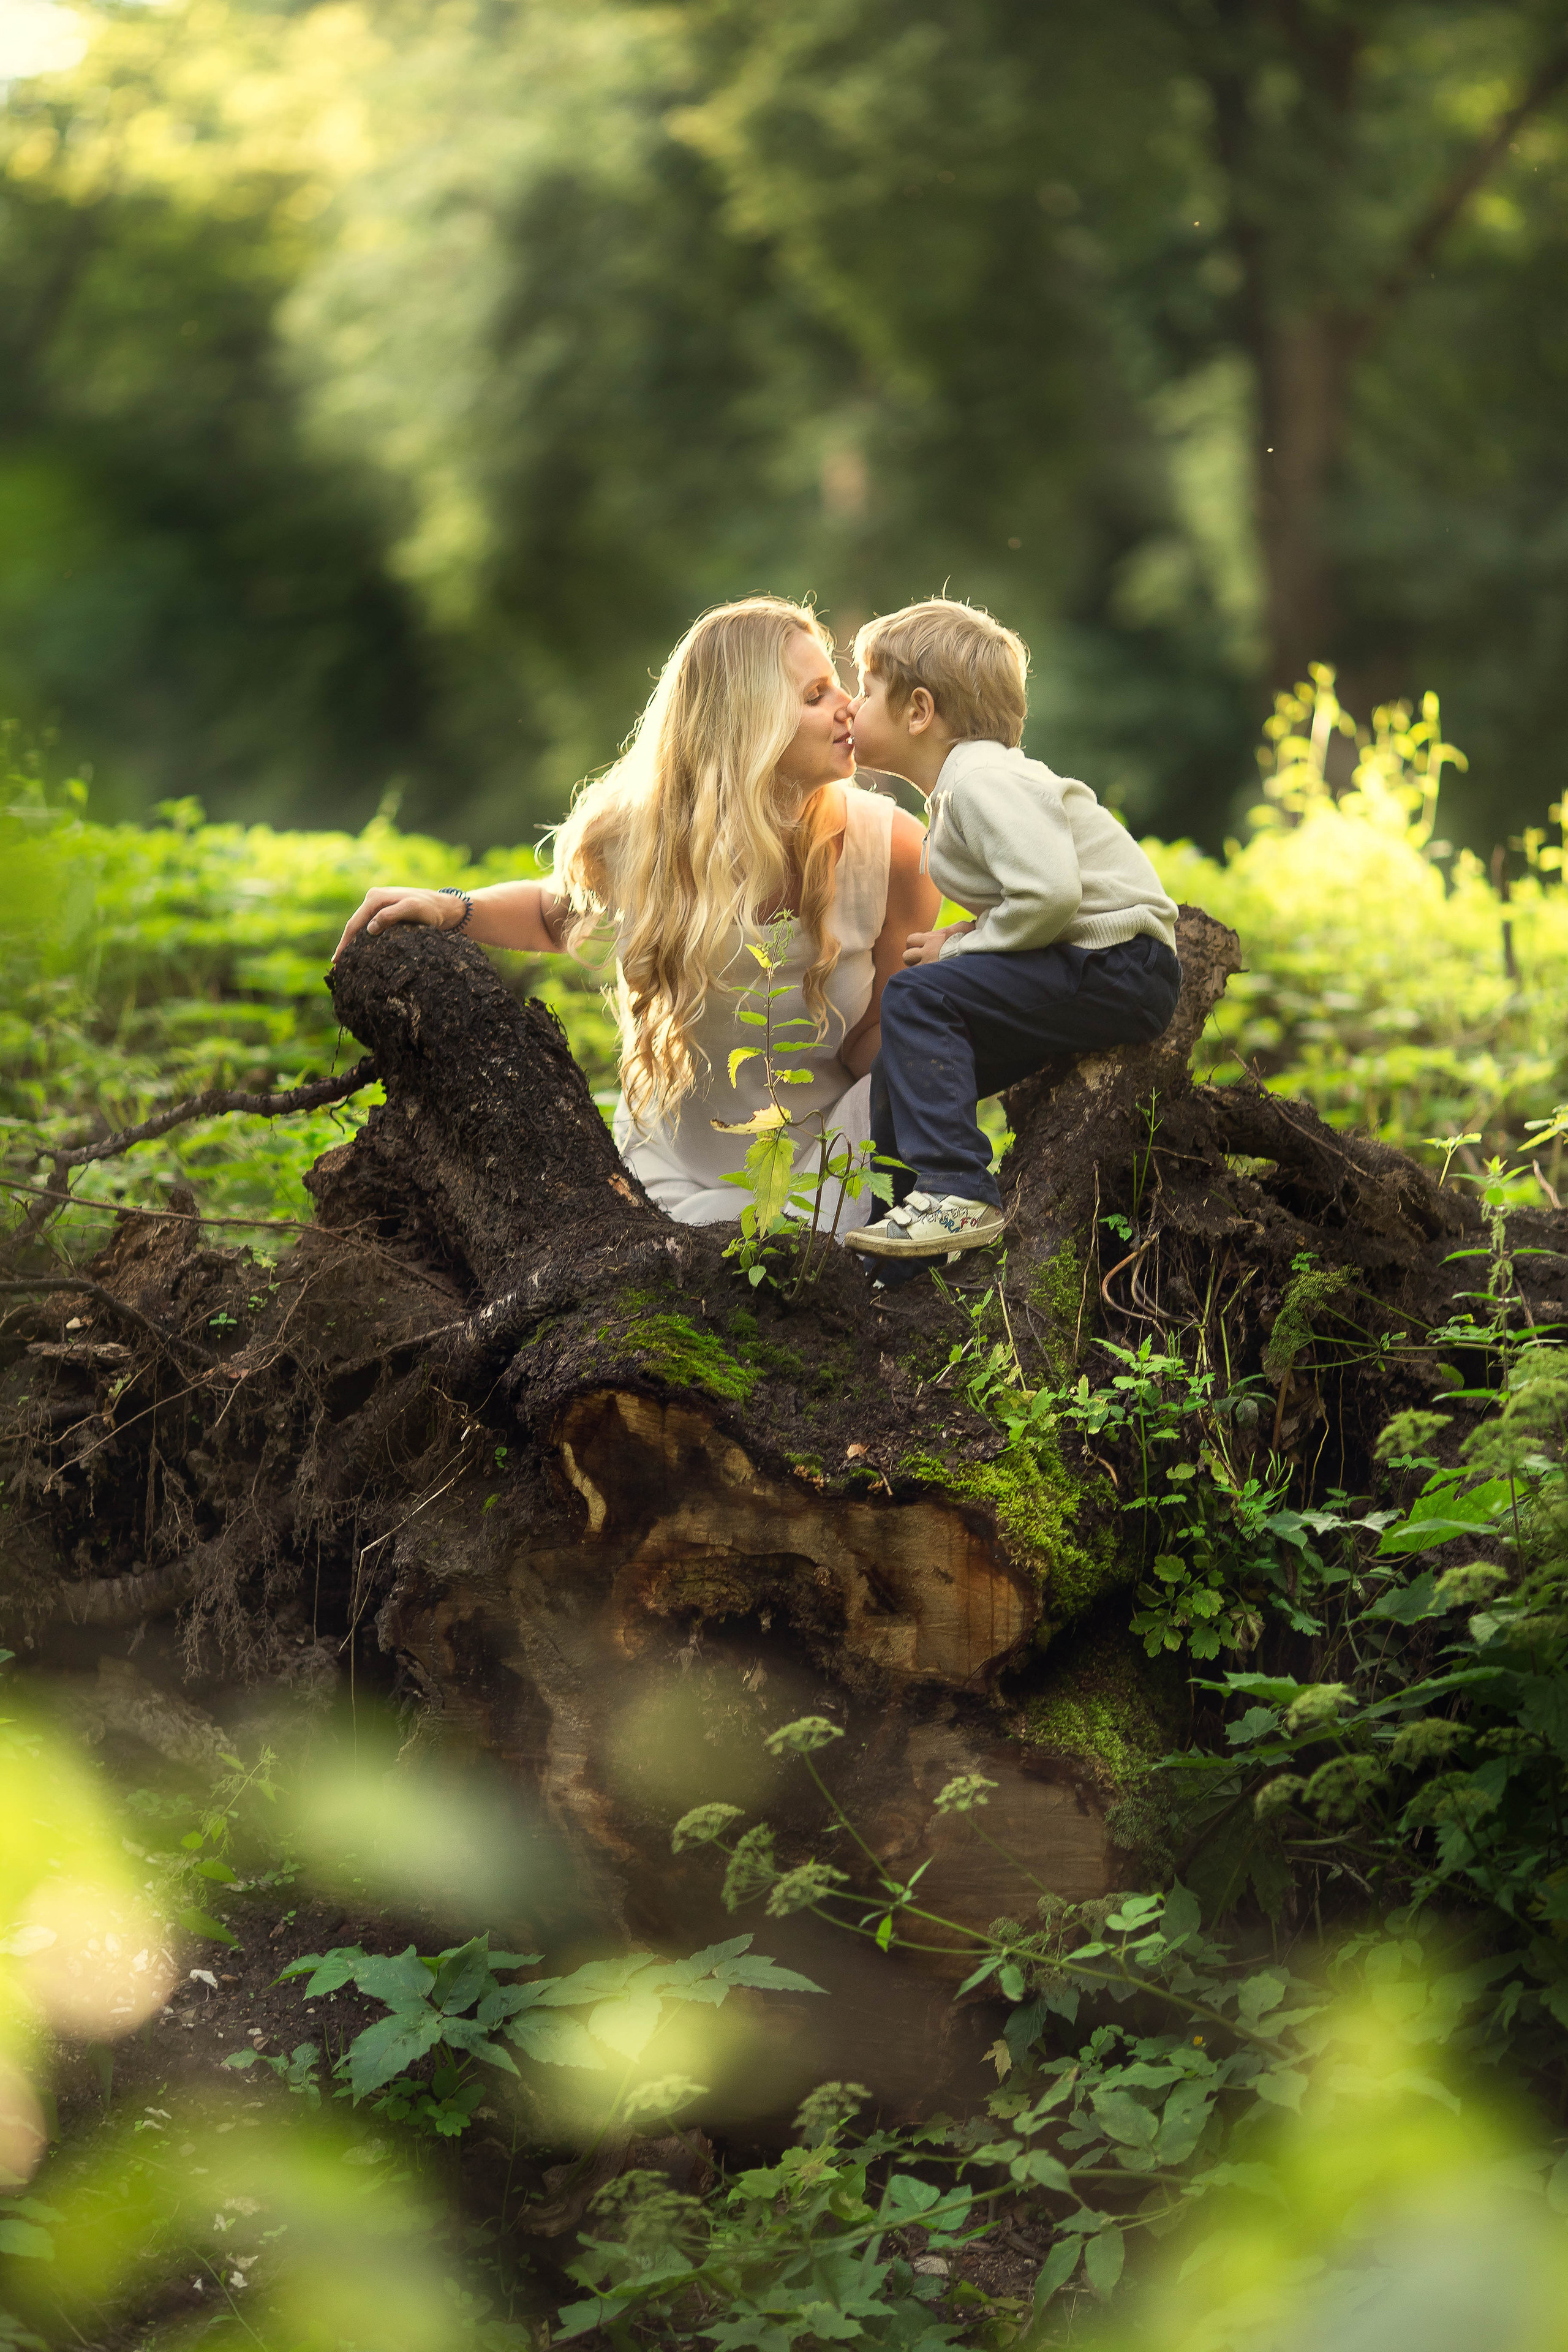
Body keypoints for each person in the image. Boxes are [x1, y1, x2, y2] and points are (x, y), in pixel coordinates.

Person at [333, 596, 938, 1228]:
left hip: (833, 1163)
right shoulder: (648, 835)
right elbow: (553, 915)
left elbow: (878, 1044)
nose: (848, 705)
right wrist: (450, 906)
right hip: (671, 1171)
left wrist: (980, 1003)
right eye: (815, 694)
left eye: (838, 685)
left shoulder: (895, 851)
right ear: (746, 724)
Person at [844, 597, 1182, 1261]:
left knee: (916, 998)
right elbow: (1030, 896)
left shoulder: (980, 780)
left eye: (865, 689)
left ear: (918, 710)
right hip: (1096, 966)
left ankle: (957, 1192)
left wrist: (959, 945)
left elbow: (1051, 894)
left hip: (1118, 963)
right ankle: (901, 1236)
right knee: (906, 1066)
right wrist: (965, 941)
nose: (852, 706)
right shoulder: (965, 787)